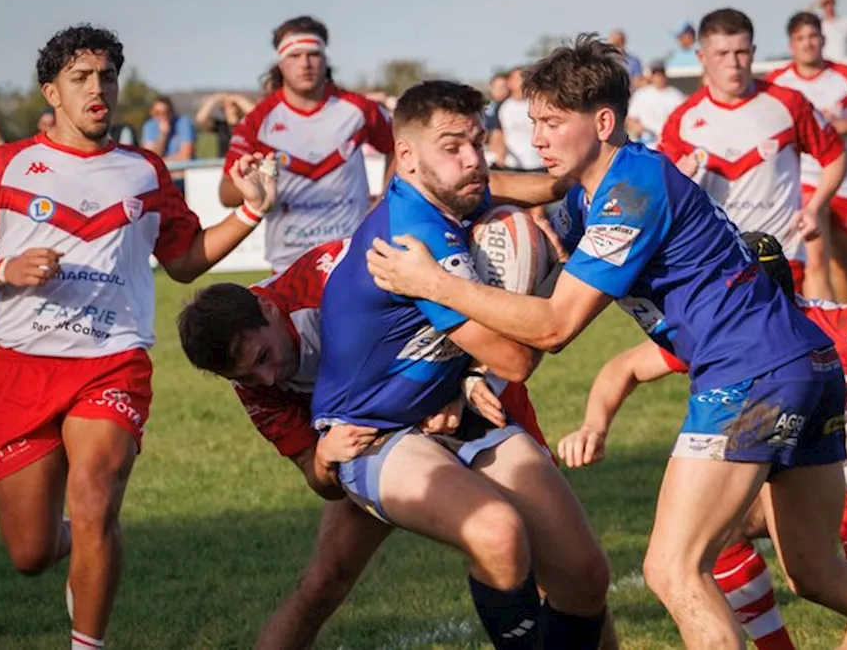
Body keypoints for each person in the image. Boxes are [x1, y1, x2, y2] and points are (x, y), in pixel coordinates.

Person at [366, 35, 847, 650]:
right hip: (807, 363)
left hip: (748, 375)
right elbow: (536, 190)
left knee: (673, 569)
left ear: (601, 122)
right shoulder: (602, 186)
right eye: (533, 122)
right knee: (818, 571)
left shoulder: (632, 193)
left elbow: (554, 326)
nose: (536, 137)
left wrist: (432, 281)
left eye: (551, 123)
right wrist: (465, 187)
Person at [0, 24, 276, 650]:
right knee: (31, 552)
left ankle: (88, 632)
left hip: (111, 361)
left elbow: (184, 260)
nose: (98, 90)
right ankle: (80, 543)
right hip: (23, 368)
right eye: (81, 78)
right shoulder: (3, 165)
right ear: (52, 93)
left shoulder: (145, 171)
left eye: (107, 77)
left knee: (95, 501)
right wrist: (3, 269)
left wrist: (250, 211)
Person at [312, 79, 609, 649]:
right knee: (498, 533)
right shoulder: (411, 238)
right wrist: (518, 265)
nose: (473, 159)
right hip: (373, 434)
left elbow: (520, 183)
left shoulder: (451, 194)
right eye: (453, 147)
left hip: (455, 407)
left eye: (478, 141)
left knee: (584, 575)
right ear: (406, 157)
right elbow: (516, 358)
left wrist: (536, 205)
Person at [174, 238, 570, 649]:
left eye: (262, 358)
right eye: (247, 377)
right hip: (380, 439)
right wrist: (325, 457)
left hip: (470, 390)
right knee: (326, 579)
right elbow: (318, 477)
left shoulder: (332, 281)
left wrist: (464, 380)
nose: (268, 379)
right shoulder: (254, 383)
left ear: (269, 310)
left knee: (562, 567)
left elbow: (452, 298)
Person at [563, 231, 847, 650]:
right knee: (785, 560)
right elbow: (625, 368)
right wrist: (594, 425)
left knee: (677, 566)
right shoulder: (731, 330)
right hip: (812, 467)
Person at [660, 8, 847, 301]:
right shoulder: (682, 121)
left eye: (742, 52)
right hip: (714, 265)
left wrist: (814, 208)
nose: (734, 64)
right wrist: (675, 180)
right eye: (722, 54)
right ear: (702, 58)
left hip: (781, 259)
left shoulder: (788, 103)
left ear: (754, 52)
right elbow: (660, 195)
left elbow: (835, 156)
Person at [220, 15, 397, 273]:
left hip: (351, 256)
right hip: (288, 264)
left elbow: (399, 146)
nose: (305, 64)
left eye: (313, 54)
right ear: (280, 63)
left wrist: (385, 199)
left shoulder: (358, 108)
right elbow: (226, 194)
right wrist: (251, 185)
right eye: (294, 56)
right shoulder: (258, 121)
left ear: (325, 59)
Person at [767, 13, 847, 302]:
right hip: (804, 181)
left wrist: (844, 126)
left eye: (812, 36)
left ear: (822, 39)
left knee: (845, 267)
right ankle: (824, 334)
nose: (808, 43)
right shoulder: (777, 83)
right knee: (816, 262)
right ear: (791, 44)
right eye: (800, 38)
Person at [492, 66, 544, 171]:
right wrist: (500, 156)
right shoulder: (502, 107)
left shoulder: (538, 104)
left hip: (539, 163)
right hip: (513, 164)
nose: (522, 82)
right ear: (509, 83)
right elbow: (498, 133)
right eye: (518, 79)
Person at [625, 61, 685, 148]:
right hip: (647, 143)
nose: (659, 78)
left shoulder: (676, 96)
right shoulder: (641, 94)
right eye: (656, 75)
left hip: (669, 144)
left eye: (661, 75)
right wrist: (638, 128)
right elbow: (630, 118)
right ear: (651, 77)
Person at [196, 92, 256, 157]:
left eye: (233, 105)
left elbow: (257, 113)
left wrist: (237, 99)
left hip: (242, 162)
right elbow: (200, 119)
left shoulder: (246, 124)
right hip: (223, 162)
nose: (229, 107)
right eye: (226, 105)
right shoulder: (220, 125)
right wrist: (214, 99)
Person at [141, 96, 196, 163]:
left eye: (165, 113)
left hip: (182, 170)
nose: (161, 116)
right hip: (162, 169)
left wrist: (160, 162)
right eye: (157, 113)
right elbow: (150, 157)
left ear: (172, 112)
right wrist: (163, 136)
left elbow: (186, 156)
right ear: (152, 112)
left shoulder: (184, 123)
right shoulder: (149, 126)